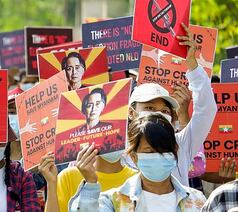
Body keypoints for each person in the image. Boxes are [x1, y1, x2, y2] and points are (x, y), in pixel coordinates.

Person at [127, 23, 217, 186]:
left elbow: (206, 109)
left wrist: (191, 63)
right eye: (149, 108)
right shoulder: (117, 152)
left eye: (164, 110)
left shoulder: (181, 145)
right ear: (131, 112)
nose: (158, 114)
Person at [68, 113, 206, 211]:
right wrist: (91, 183)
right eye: (149, 152)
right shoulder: (113, 201)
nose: (158, 156)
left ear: (175, 150)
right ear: (134, 157)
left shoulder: (196, 200)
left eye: (164, 150)